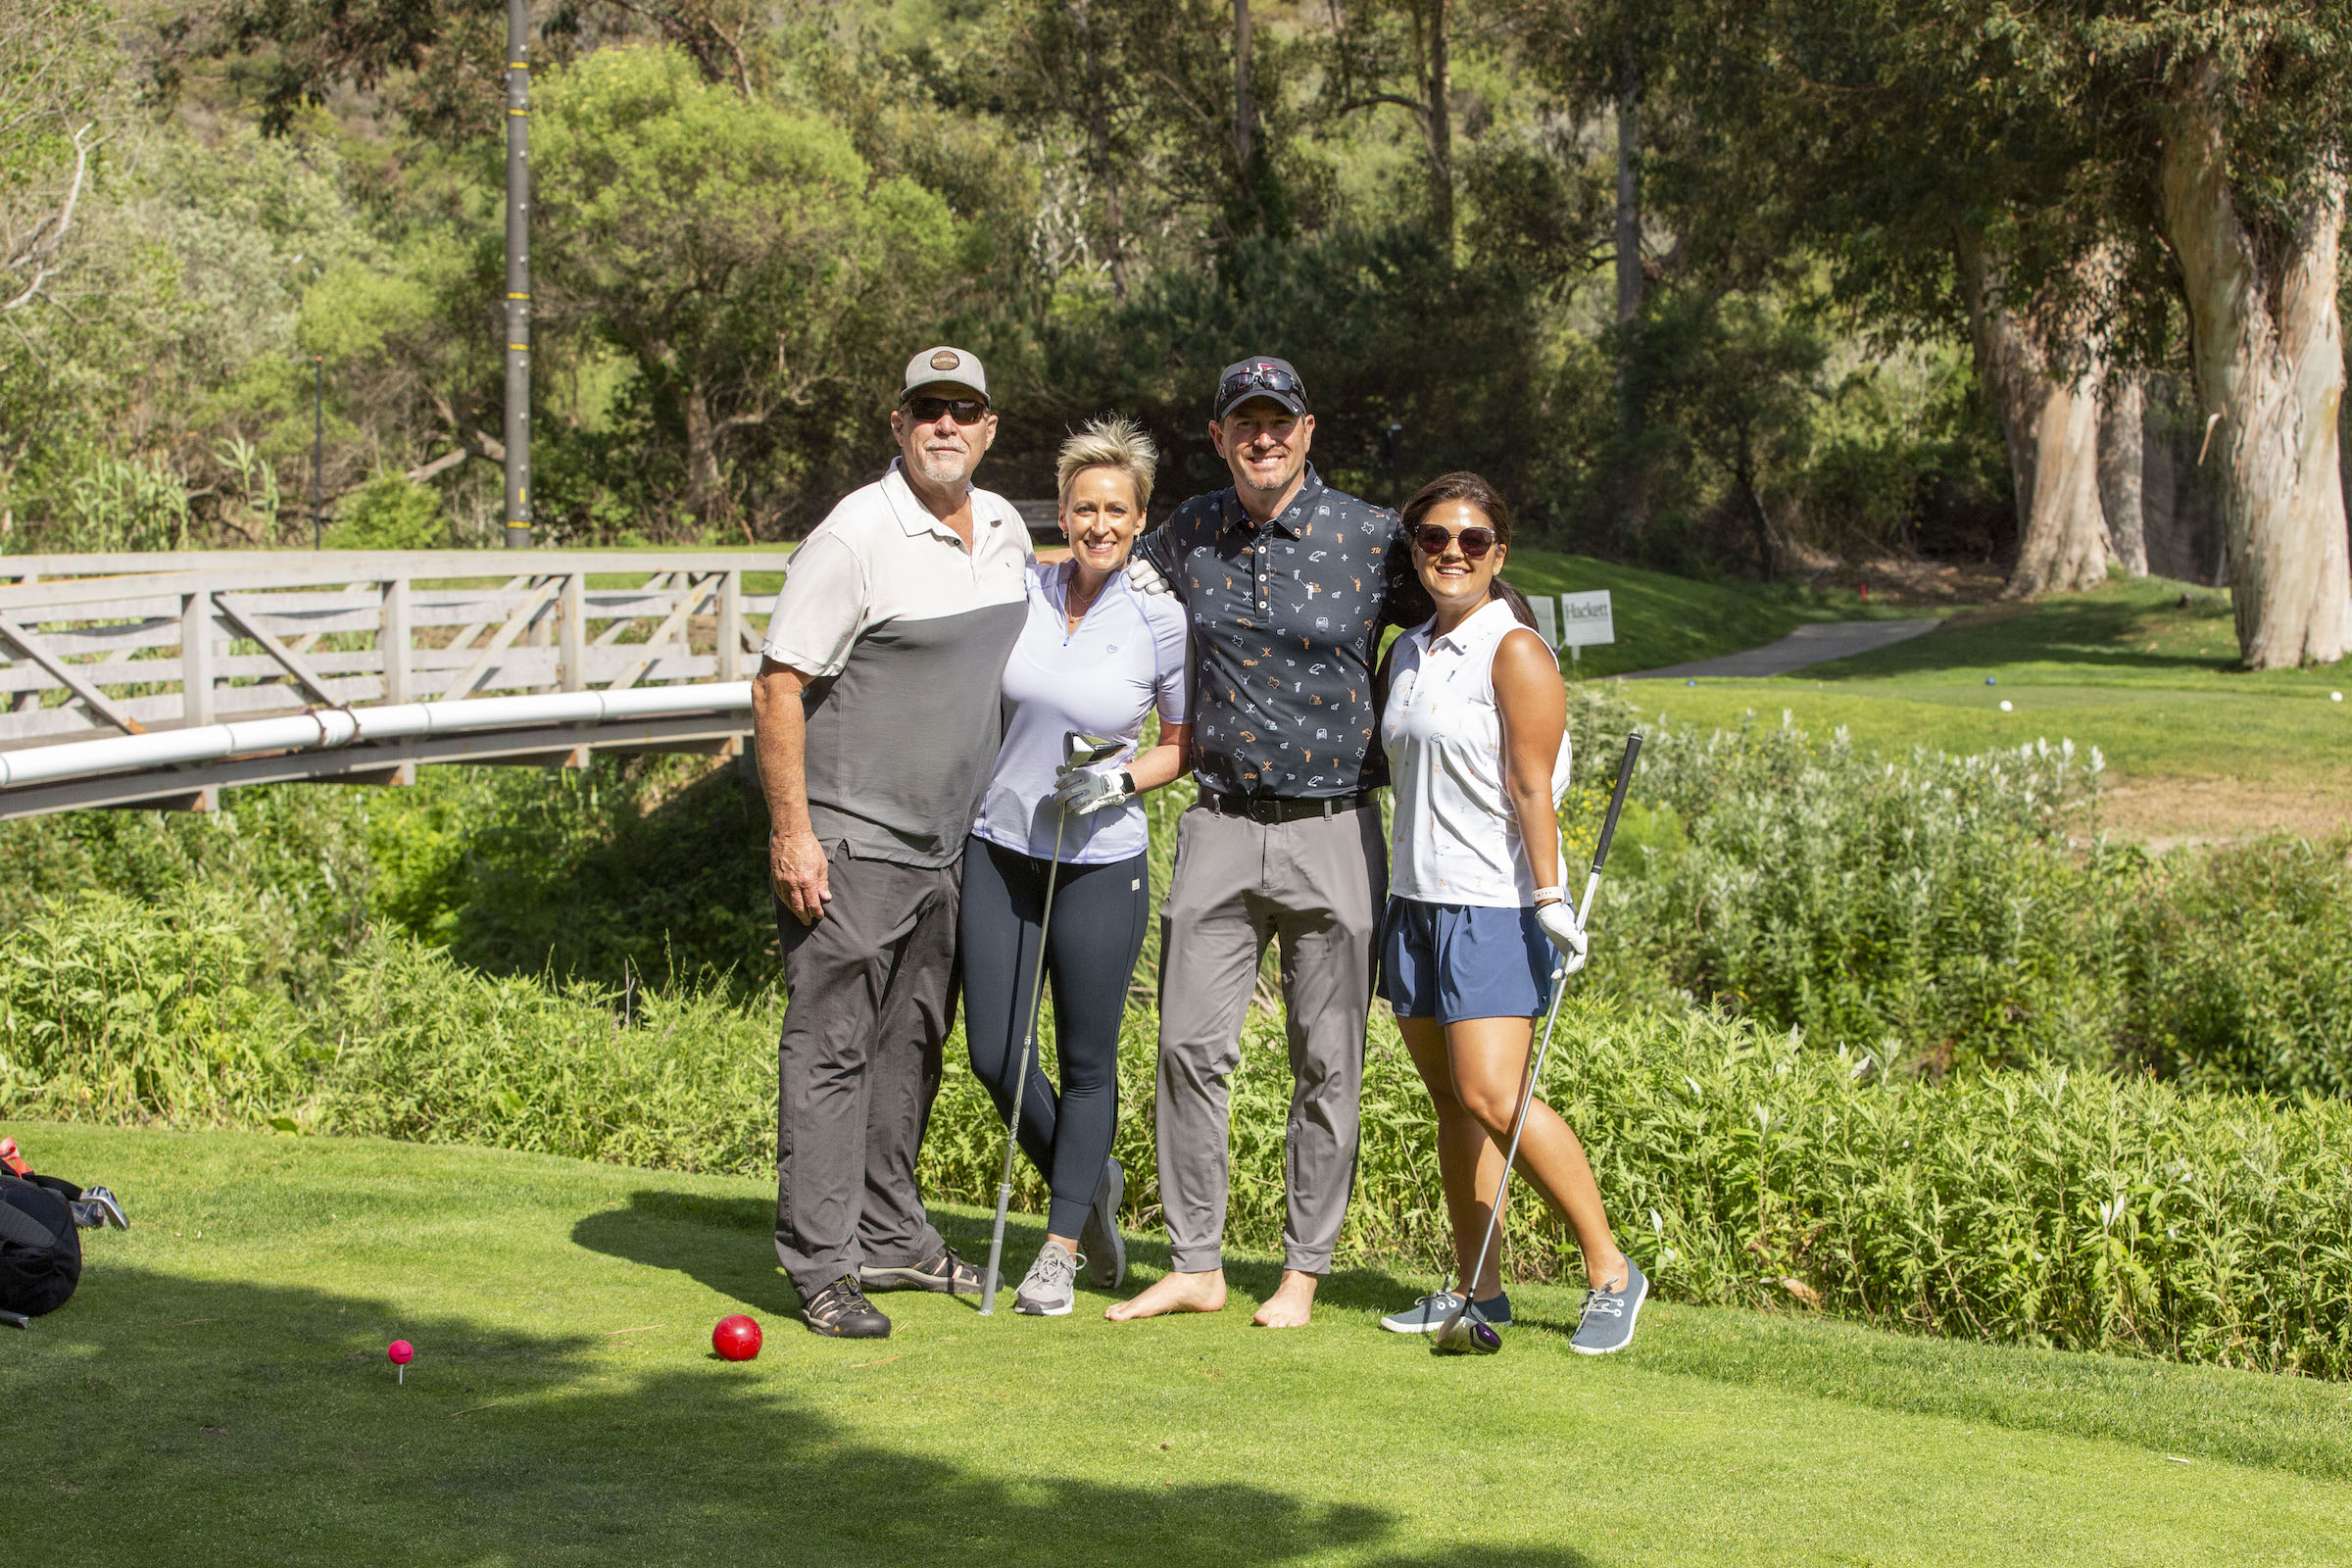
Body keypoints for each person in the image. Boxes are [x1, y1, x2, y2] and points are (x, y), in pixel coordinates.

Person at [1107, 356, 1432, 1328]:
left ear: (1307, 429)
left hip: (1335, 827)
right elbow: (1097, 577)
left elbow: (1463, 617)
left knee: (1327, 1062)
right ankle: (1197, 1263)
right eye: (1243, 422)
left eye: (1278, 421)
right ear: (1217, 437)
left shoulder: (1373, 537)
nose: (1263, 437)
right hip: (1218, 822)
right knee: (1186, 1048)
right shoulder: (1190, 532)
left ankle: (1302, 1272)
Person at [751, 346, 1031, 1340]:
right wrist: (795, 834)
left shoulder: (1004, 529)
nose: (945, 425)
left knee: (911, 1045)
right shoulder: (855, 534)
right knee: (831, 1050)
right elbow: (779, 682)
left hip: (951, 846)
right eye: (927, 409)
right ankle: (820, 1264)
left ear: (990, 427)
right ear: (899, 422)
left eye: (964, 410)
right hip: (854, 841)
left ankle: (891, 1232)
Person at [1373, 471, 1645, 1355]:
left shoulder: (1515, 649)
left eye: (1473, 540)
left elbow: (1534, 783)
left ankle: (1610, 1270)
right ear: (1415, 549)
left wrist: (1550, 896)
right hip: (1415, 900)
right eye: (1435, 538)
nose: (1452, 553)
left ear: (1501, 553)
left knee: (1496, 1094)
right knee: (1453, 1100)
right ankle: (1476, 1289)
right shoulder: (1408, 652)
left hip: (1492, 902)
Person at [960, 416, 1192, 1316]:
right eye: (1084, 507)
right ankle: (1088, 1179)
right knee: (992, 1055)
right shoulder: (1020, 588)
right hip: (1001, 845)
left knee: (1087, 1061)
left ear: (1140, 521)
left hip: (1099, 861)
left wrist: (1119, 780)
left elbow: (1183, 743)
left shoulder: (1159, 619)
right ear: (1061, 510)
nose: (1099, 523)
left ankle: (1058, 1249)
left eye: (1117, 510)